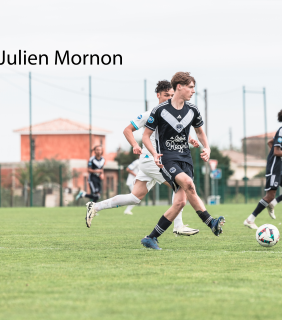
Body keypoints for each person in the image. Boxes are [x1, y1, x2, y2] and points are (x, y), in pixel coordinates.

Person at [84, 80, 199, 236]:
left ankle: (95, 207)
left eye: (171, 95)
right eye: (166, 95)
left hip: (155, 161)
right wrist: (134, 145)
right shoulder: (150, 114)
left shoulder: (172, 113)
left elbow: (174, 134)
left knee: (134, 197)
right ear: (158, 95)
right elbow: (127, 130)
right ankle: (178, 226)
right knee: (180, 184)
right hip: (151, 160)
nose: (169, 98)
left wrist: (190, 138)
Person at [140, 72, 225, 250]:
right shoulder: (160, 110)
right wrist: (154, 154)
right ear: (179, 86)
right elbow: (146, 136)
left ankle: (151, 238)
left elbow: (200, 132)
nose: (193, 91)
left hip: (185, 158)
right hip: (167, 158)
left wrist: (206, 148)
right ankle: (210, 222)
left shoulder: (192, 110)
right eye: (191, 87)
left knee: (180, 203)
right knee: (188, 183)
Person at [243, 107, 282, 229]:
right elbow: (276, 151)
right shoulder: (281, 132)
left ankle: (274, 203)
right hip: (274, 167)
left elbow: (270, 143)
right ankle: (250, 219)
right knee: (269, 195)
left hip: (280, 167)